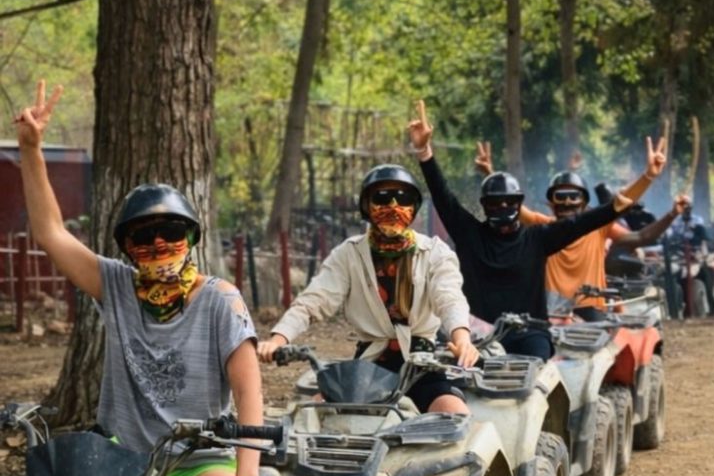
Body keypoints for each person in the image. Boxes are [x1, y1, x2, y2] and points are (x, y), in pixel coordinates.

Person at [14, 80, 270, 476]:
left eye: (171, 231)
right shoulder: (115, 285)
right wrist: (31, 150)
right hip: (119, 457)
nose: (158, 243)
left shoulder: (220, 300)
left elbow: (250, 393)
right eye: (143, 236)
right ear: (127, 248)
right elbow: (51, 233)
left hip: (196, 458)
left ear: (190, 238)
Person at [407, 101, 667, 358]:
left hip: (532, 333)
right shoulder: (471, 234)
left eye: (510, 202)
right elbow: (444, 197)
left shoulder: (539, 236)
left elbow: (597, 217)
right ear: (484, 206)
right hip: (479, 335)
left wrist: (643, 181)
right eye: (495, 203)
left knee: (552, 370)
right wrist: (424, 153)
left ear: (520, 204)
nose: (504, 207)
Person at [257, 164, 478, 415]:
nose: (393, 207)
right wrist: (277, 340)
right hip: (369, 366)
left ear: (414, 207)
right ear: (366, 206)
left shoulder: (436, 253)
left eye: (403, 198)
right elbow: (313, 301)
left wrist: (462, 339)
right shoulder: (349, 253)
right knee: (312, 417)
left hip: (423, 364)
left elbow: (449, 299)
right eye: (382, 198)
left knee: (456, 416)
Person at [475, 144, 686, 319]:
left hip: (591, 312)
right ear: (550, 203)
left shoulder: (599, 227)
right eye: (561, 196)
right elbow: (511, 205)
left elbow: (641, 236)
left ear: (585, 204)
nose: (567, 202)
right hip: (549, 313)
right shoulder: (543, 228)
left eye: (573, 197)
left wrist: (652, 182)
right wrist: (490, 174)